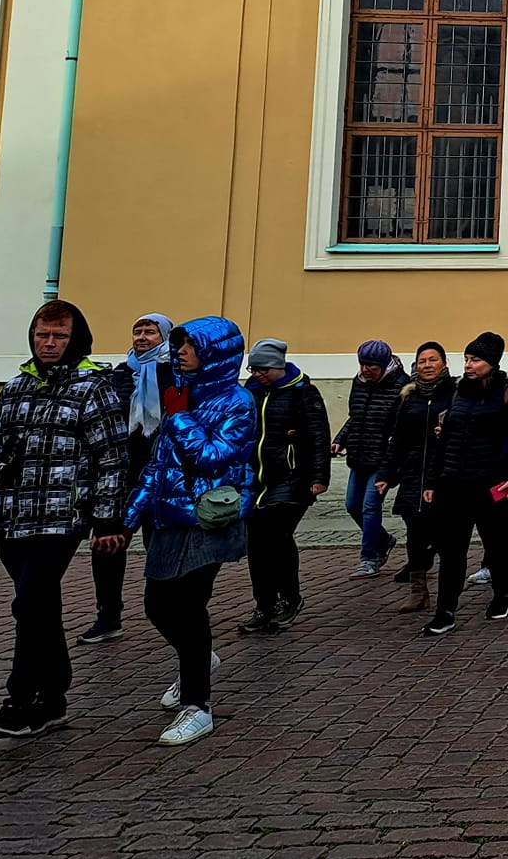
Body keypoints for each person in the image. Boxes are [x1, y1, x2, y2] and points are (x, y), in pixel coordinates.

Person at [0, 300, 130, 739]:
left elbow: (111, 457)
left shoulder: (93, 387)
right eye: (42, 335)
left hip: (61, 517)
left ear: (74, 339)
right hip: (11, 516)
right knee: (38, 606)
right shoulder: (16, 386)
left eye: (59, 336)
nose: (49, 343)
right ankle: (54, 696)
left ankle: (20, 700)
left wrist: (107, 520)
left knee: (29, 602)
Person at [122, 317, 257, 746]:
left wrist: (180, 417)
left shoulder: (237, 401)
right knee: (157, 605)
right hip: (169, 516)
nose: (180, 352)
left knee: (188, 605)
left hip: (209, 517)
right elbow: (158, 464)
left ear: (214, 351)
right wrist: (127, 519)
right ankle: (197, 658)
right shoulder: (181, 393)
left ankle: (198, 707)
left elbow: (214, 458)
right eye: (178, 344)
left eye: (189, 346)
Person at [422, 333, 508, 635]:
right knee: (451, 550)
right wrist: (432, 480)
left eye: (476, 360)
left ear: (492, 363)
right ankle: (445, 610)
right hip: (454, 483)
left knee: (496, 543)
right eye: (466, 359)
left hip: (492, 484)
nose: (468, 365)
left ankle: (502, 594)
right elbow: (444, 441)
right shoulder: (458, 393)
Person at [80, 313, 174, 645]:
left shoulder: (174, 372)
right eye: (138, 331)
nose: (142, 337)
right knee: (107, 545)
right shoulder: (119, 374)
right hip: (120, 476)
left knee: (158, 546)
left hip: (160, 475)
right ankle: (108, 616)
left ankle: (167, 613)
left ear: (165, 337)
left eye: (150, 332)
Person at [239, 339, 329, 634]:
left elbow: (319, 435)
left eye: (262, 369)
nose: (258, 374)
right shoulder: (252, 393)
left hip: (292, 478)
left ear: (277, 366)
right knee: (256, 543)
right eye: (253, 369)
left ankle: (289, 598)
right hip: (257, 479)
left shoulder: (302, 391)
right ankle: (264, 604)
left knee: (278, 537)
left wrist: (319, 478)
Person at [377, 343, 454, 612]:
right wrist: (386, 474)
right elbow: (397, 439)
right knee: (415, 535)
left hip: (442, 474)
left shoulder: (455, 394)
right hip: (412, 475)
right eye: (422, 361)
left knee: (445, 536)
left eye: (433, 360)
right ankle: (419, 592)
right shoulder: (409, 397)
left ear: (444, 364)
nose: (427, 365)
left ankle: (448, 593)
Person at [334, 339, 404, 579]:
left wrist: (393, 462)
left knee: (370, 506)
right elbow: (355, 416)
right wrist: (340, 439)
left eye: (371, 367)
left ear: (383, 366)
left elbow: (400, 427)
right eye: (362, 365)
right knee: (352, 505)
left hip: (383, 459)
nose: (365, 370)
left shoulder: (401, 385)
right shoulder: (359, 382)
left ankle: (370, 558)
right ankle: (383, 539)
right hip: (359, 454)